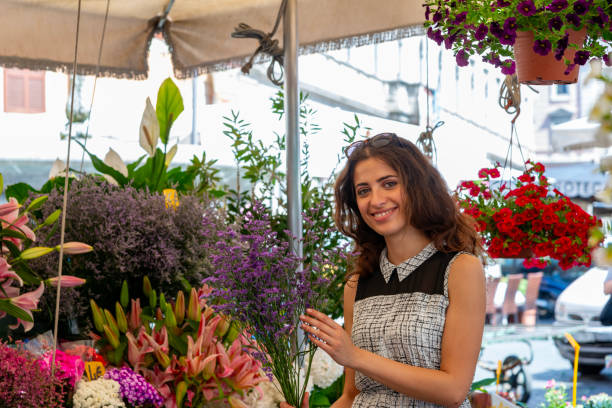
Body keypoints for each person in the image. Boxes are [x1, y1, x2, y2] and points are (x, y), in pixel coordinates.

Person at [297, 133, 486, 407]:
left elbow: (454, 389)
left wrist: (355, 356)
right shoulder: (357, 285)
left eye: (389, 184)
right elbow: (352, 395)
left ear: (417, 187)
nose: (376, 200)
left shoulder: (459, 269)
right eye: (363, 191)